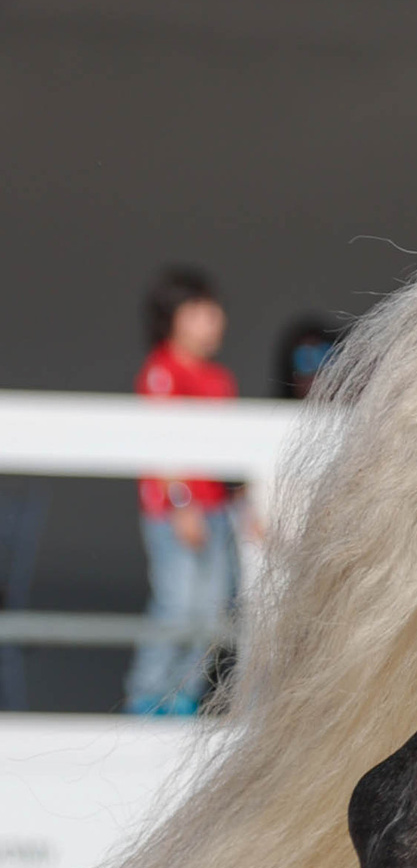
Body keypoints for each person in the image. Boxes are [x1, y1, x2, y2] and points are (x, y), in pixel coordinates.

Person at [128, 264, 254, 716]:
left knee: (212, 616)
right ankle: (145, 703)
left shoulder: (219, 380)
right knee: (177, 608)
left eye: (213, 310)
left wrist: (244, 510)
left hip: (216, 515)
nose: (214, 320)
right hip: (175, 515)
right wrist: (182, 503)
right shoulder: (161, 371)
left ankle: (181, 703)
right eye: (200, 310)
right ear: (172, 317)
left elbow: (229, 457)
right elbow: (160, 446)